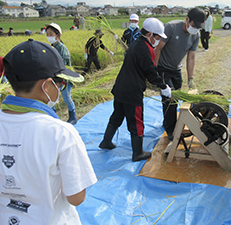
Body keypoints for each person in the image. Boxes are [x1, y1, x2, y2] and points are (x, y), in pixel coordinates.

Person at [0, 39, 97, 224]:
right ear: (46, 85)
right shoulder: (61, 133)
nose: (61, 88)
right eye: (59, 83)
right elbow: (76, 198)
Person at [99, 18, 172, 162]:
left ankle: (106, 142)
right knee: (136, 121)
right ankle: (137, 153)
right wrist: (163, 86)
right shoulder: (146, 49)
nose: (158, 40)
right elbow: (151, 73)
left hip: (120, 87)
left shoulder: (136, 43)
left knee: (117, 116)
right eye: (157, 37)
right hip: (132, 91)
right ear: (150, 34)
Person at [154, 7, 205, 141]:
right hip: (163, 68)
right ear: (187, 19)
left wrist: (190, 78)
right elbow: (158, 49)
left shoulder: (196, 34)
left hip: (176, 70)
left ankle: (172, 123)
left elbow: (191, 57)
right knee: (169, 99)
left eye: (198, 27)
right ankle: (170, 129)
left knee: (176, 99)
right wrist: (154, 70)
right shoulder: (171, 27)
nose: (195, 29)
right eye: (194, 25)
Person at [46, 22, 78, 124]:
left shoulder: (62, 49)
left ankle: (73, 117)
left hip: (64, 79)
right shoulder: (51, 47)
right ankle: (54, 118)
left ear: (58, 35)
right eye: (47, 34)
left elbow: (63, 67)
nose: (48, 36)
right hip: (53, 78)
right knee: (52, 99)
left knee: (67, 98)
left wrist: (60, 79)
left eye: (51, 34)